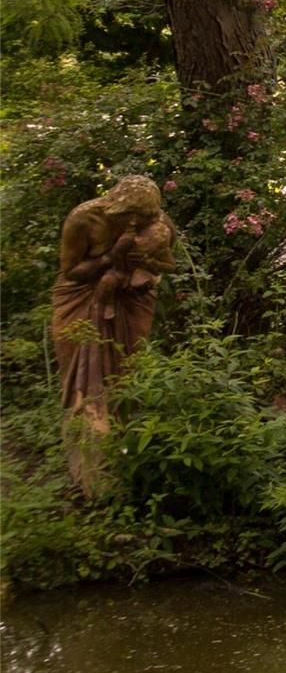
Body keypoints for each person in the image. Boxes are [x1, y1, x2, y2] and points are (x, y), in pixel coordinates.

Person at [51, 174, 177, 496]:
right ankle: (87, 457)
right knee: (79, 373)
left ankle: (126, 446)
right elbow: (70, 271)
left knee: (126, 369)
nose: (133, 223)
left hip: (132, 300)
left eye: (141, 217)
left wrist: (144, 262)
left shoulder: (160, 225)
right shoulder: (83, 219)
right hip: (79, 299)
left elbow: (164, 266)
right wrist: (110, 258)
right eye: (126, 216)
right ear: (112, 205)